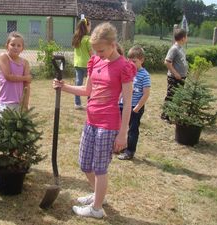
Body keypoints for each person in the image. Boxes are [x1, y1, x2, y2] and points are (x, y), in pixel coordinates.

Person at [53, 22, 136, 219]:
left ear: (113, 44)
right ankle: (99, 195)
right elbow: (87, 91)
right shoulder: (96, 62)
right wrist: (64, 87)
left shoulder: (124, 67)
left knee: (100, 168)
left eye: (101, 50)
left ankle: (97, 208)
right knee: (84, 164)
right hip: (90, 121)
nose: (98, 54)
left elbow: (128, 102)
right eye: (96, 51)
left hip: (108, 125)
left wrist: (123, 133)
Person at [118, 46, 151, 160]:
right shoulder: (127, 73)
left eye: (134, 61)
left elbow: (146, 94)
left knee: (132, 130)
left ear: (142, 60)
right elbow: (122, 89)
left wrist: (137, 107)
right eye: (129, 61)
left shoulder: (144, 75)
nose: (131, 63)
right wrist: (119, 100)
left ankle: (130, 151)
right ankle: (120, 147)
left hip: (134, 107)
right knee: (121, 127)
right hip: (123, 105)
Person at [0, 32, 32, 117]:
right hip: (5, 102)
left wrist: (25, 104)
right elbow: (8, 76)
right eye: (12, 45)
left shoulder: (25, 63)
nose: (15, 47)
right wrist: (26, 78)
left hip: (19, 102)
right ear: (7, 46)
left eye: (19, 45)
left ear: (22, 48)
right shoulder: (3, 57)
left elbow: (27, 85)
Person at [161, 28, 188, 121]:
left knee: (178, 96)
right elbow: (167, 62)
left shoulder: (181, 48)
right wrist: (175, 73)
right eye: (186, 36)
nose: (187, 38)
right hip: (174, 77)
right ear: (183, 38)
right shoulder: (174, 48)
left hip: (182, 77)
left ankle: (175, 114)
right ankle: (165, 115)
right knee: (171, 96)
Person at [71, 16, 92, 110]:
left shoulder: (76, 38)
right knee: (90, 84)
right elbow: (91, 53)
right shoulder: (88, 39)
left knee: (78, 83)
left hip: (77, 63)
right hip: (87, 64)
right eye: (90, 26)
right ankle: (90, 103)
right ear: (86, 27)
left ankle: (77, 104)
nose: (90, 28)